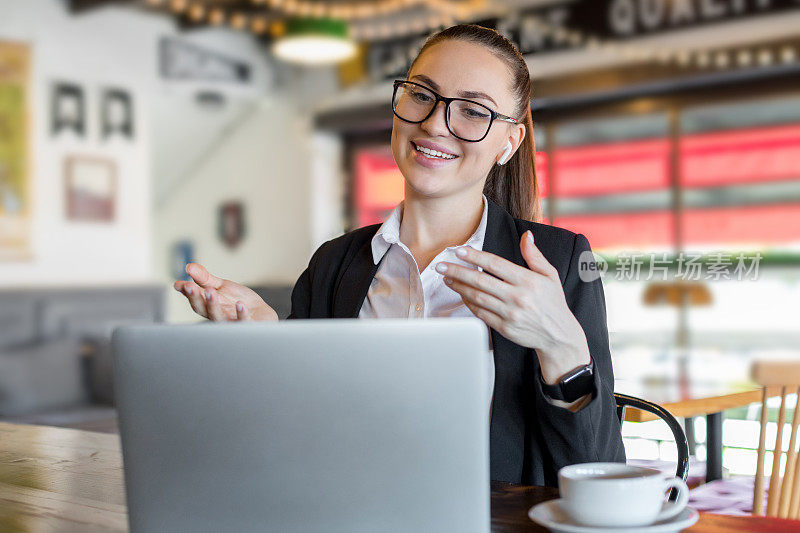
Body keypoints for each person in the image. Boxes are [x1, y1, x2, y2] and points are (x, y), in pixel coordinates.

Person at [173, 24, 626, 486]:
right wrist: (265, 336)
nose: (433, 124)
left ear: (508, 143)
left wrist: (562, 346)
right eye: (421, 95)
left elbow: (604, 470)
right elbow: (297, 434)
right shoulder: (334, 264)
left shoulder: (558, 260)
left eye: (472, 110)